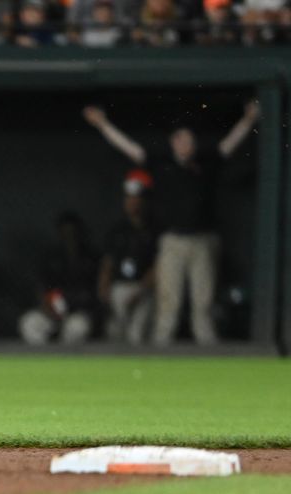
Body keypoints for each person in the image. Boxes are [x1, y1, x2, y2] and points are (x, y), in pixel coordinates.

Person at [83, 101, 260, 345]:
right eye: (181, 140)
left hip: (203, 240)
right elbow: (129, 148)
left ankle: (209, 352)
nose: (186, 144)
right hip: (172, 241)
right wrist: (103, 124)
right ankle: (161, 350)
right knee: (169, 303)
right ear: (173, 142)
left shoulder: (207, 163)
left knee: (203, 303)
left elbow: (230, 144)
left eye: (190, 140)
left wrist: (248, 121)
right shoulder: (161, 163)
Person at [19, 212, 99, 345]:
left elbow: (94, 294)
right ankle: (43, 361)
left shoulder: (91, 258)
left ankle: (68, 362)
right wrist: (48, 308)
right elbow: (42, 287)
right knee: (29, 323)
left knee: (76, 328)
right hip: (52, 311)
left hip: (77, 313)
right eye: (65, 232)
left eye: (72, 232)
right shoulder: (52, 258)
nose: (69, 236)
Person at [98, 170, 159, 345]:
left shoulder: (155, 229)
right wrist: (103, 287)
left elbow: (158, 266)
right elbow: (107, 263)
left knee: (136, 335)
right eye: (128, 197)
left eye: (136, 198)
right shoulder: (118, 230)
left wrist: (141, 290)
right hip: (120, 288)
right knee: (115, 332)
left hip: (144, 288)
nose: (131, 202)